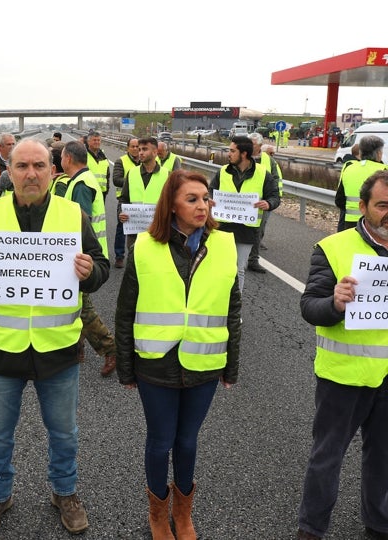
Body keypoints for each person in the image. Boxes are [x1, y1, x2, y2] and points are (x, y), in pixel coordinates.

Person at [0, 139, 109, 537]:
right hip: (1, 351)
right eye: (22, 166)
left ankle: (65, 492)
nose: (31, 174)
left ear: (52, 171)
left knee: (64, 433)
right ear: (9, 171)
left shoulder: (73, 216)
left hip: (58, 350)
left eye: (39, 165)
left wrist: (89, 271)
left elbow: (102, 269)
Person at [115, 169, 240, 540]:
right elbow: (126, 310)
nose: (202, 205)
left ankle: (183, 513)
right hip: (157, 363)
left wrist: (231, 366)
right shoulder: (144, 247)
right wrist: (126, 368)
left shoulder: (224, 245)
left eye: (205, 198)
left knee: (188, 441)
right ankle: (158, 513)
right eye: (192, 199)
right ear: (171, 205)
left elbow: (233, 309)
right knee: (160, 440)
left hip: (204, 360)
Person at [296, 169, 388, 540]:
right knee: (327, 458)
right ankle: (311, 529)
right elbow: (309, 307)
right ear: (363, 207)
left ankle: (380, 523)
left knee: (383, 457)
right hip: (343, 377)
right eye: (383, 205)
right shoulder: (334, 248)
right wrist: (334, 303)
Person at [58, 140, 118, 377]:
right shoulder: (81, 179)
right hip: (84, 256)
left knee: (81, 308)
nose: (60, 161)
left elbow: (77, 224)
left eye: (61, 157)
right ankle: (77, 348)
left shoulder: (81, 184)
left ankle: (110, 349)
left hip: (82, 258)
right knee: (75, 304)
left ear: (69, 159)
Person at [209, 136, 280, 293]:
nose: (229, 154)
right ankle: (219, 303)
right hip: (222, 228)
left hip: (246, 230)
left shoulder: (263, 174)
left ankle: (235, 308)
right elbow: (211, 190)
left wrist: (269, 204)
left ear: (244, 154)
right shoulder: (222, 172)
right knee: (220, 268)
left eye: (232, 151)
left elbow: (275, 196)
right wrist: (208, 199)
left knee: (239, 269)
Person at [118, 136, 169, 253]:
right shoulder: (132, 173)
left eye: (144, 149)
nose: (140, 152)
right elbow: (124, 198)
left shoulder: (167, 175)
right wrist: (120, 213)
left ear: (155, 152)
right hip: (135, 232)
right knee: (134, 264)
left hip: (157, 230)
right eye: (139, 149)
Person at [247, 133, 283, 272]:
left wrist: (272, 201)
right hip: (243, 204)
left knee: (258, 230)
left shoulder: (269, 162)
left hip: (261, 203)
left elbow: (276, 181)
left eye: (253, 144)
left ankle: (253, 260)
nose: (250, 147)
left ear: (260, 146)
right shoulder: (242, 157)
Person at [334, 136, 386, 232]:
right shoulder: (384, 170)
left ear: (361, 153)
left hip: (350, 223)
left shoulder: (348, 168)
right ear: (378, 153)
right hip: (376, 224)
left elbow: (339, 200)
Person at [112, 137, 140, 269]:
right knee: (122, 228)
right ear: (128, 148)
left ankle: (138, 255)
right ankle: (119, 256)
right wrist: (134, 181)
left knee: (141, 230)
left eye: (137, 147)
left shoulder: (145, 161)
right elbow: (116, 180)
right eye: (132, 146)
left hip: (143, 202)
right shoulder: (120, 161)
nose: (135, 149)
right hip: (125, 200)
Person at [85, 131, 111, 200]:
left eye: (98, 140)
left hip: (102, 193)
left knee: (101, 211)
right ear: (88, 142)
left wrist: (106, 189)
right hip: (88, 192)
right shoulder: (83, 155)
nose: (97, 142)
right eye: (94, 140)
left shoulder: (103, 156)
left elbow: (107, 175)